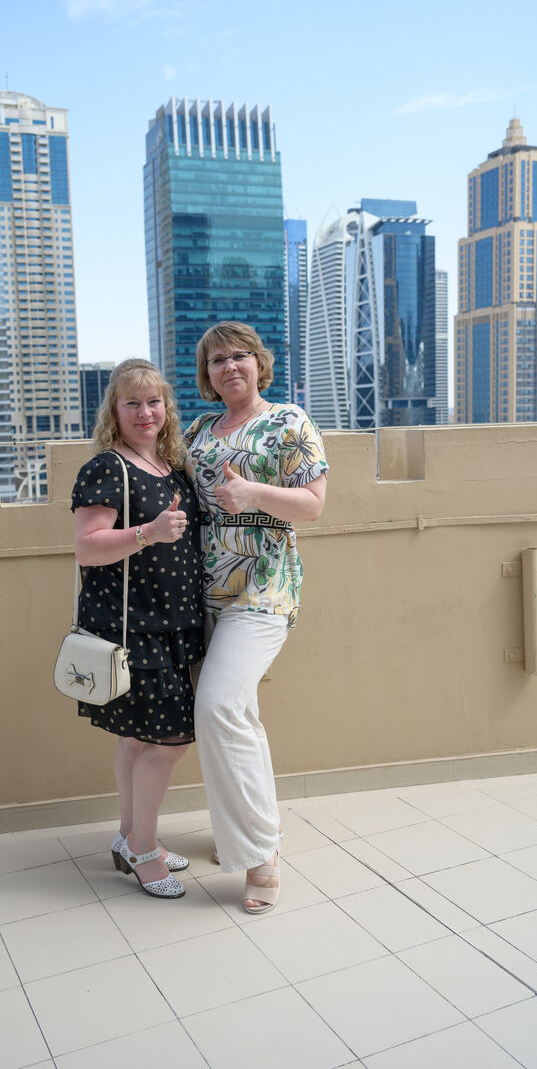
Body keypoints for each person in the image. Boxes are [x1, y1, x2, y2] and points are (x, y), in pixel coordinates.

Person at [185, 321, 328, 913]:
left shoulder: (288, 421)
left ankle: (260, 855)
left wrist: (254, 495)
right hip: (202, 592)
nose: (229, 366)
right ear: (207, 374)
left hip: (264, 587)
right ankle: (252, 829)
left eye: (239, 355)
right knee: (239, 713)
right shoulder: (197, 430)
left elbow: (314, 505)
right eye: (216, 360)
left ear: (258, 362)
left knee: (218, 707)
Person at [72, 359, 205, 899]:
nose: (146, 412)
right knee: (168, 741)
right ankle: (145, 849)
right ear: (115, 411)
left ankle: (130, 837)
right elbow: (87, 547)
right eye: (133, 403)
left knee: (138, 738)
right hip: (134, 628)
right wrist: (148, 532)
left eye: (154, 402)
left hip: (173, 625)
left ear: (166, 408)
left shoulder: (169, 465)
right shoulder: (107, 468)